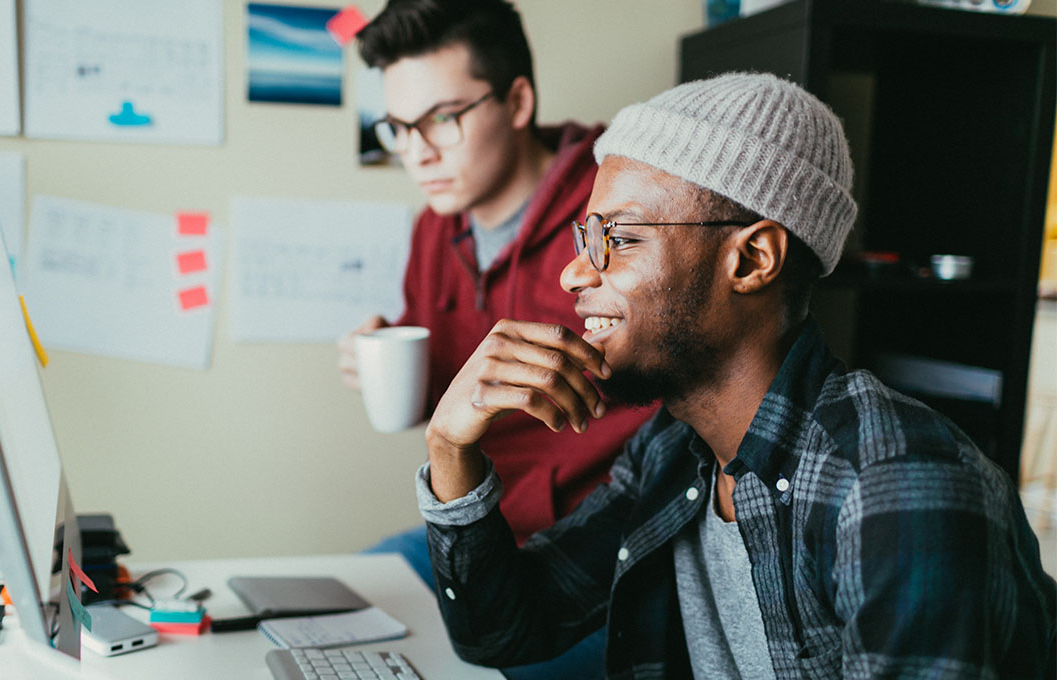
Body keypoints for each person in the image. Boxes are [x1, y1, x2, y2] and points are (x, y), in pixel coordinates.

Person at [416, 72, 1057, 678]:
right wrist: (450, 449)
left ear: (751, 259)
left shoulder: (900, 489)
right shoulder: (671, 452)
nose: (575, 275)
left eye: (620, 239)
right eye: (587, 238)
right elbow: (501, 632)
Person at [339, 0, 657, 589]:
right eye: (399, 128)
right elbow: (453, 389)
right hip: (482, 524)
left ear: (516, 102)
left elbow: (675, 385)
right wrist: (389, 363)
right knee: (339, 602)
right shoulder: (436, 227)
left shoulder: (614, 208)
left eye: (441, 119)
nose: (417, 153)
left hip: (600, 541)